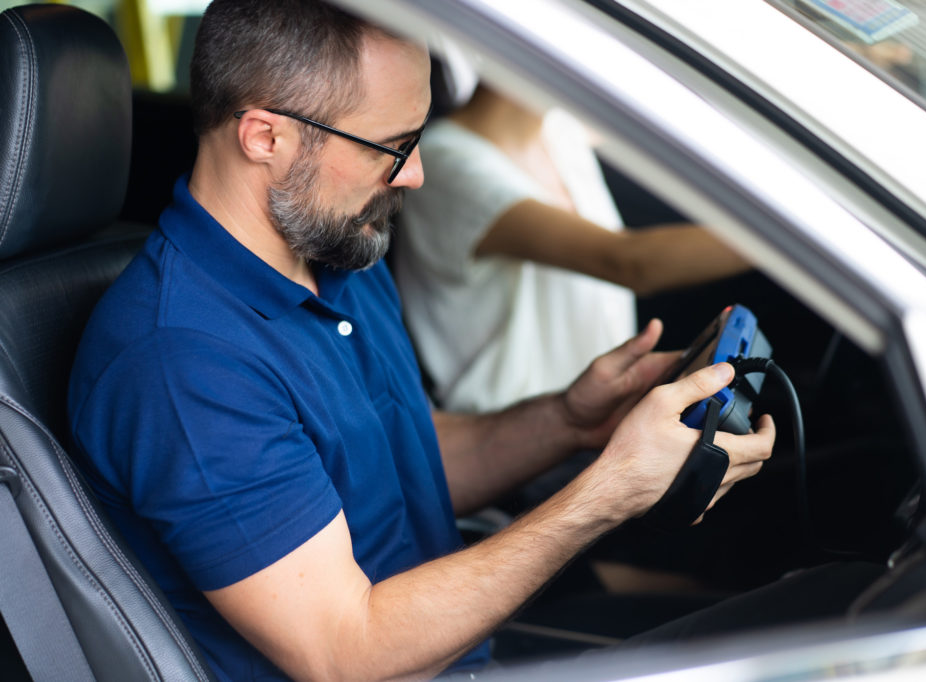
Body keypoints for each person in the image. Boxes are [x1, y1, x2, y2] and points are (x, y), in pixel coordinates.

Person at [66, 2, 775, 680]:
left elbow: (395, 454)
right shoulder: (184, 360)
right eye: (392, 147)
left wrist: (566, 421)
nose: (417, 173)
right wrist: (608, 491)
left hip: (465, 654)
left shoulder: (335, 251)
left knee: (807, 601)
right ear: (265, 137)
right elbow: (345, 653)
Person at [394, 83, 750, 413]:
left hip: (602, 412)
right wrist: (770, 236)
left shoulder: (559, 131)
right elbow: (628, 262)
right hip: (520, 444)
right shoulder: (446, 164)